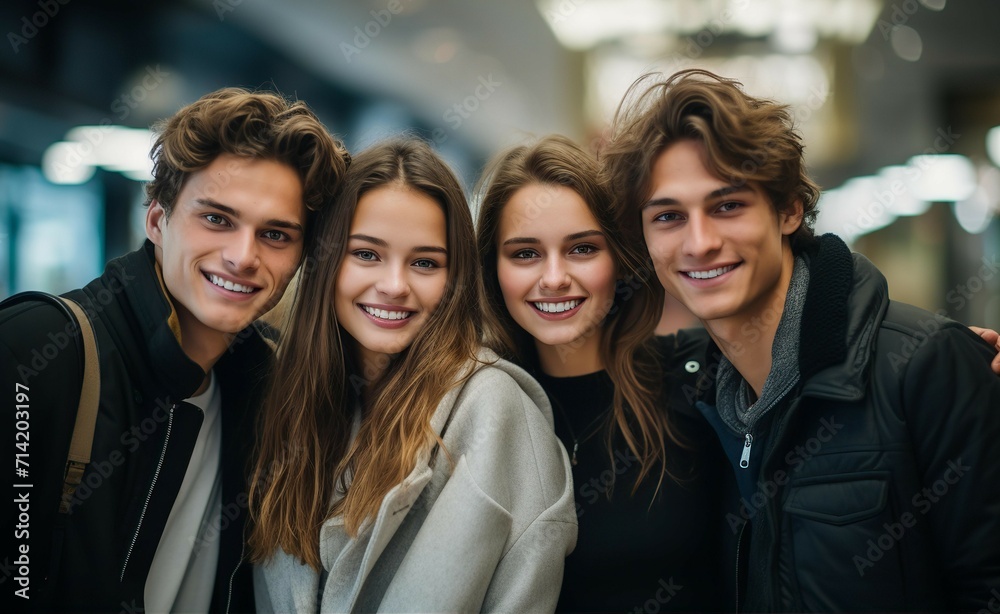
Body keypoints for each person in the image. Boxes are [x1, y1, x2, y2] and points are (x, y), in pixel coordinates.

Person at [602, 68, 1000, 611]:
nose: (699, 242)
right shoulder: (698, 395)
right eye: (668, 217)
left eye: (727, 205)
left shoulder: (927, 365)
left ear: (789, 209)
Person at [0, 88, 349, 613]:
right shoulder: (34, 351)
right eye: (217, 219)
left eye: (276, 234)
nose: (242, 256)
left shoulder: (268, 395)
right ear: (158, 221)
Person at [248, 138, 577, 613]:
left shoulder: (494, 410)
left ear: (454, 278)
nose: (395, 285)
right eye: (366, 254)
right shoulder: (296, 403)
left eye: (425, 263)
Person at [475, 134, 728, 612]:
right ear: (493, 270)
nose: (553, 278)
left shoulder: (699, 376)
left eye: (582, 249)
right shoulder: (474, 411)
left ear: (619, 258)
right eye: (525, 253)